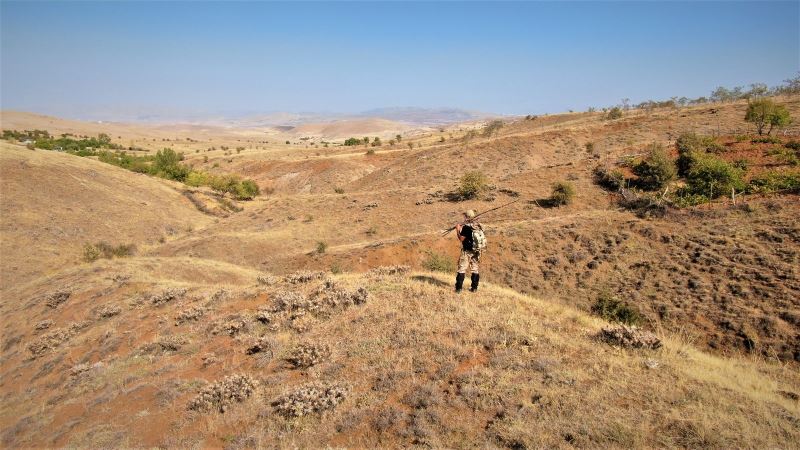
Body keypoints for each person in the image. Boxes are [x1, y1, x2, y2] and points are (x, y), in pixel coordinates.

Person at [454, 210, 482, 293]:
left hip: (467, 251)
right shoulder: (478, 226)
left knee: (462, 269)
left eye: (465, 216)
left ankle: (458, 289)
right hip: (476, 250)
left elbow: (461, 239)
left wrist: (458, 230)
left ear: (467, 217)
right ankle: (474, 288)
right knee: (475, 269)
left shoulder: (466, 227)